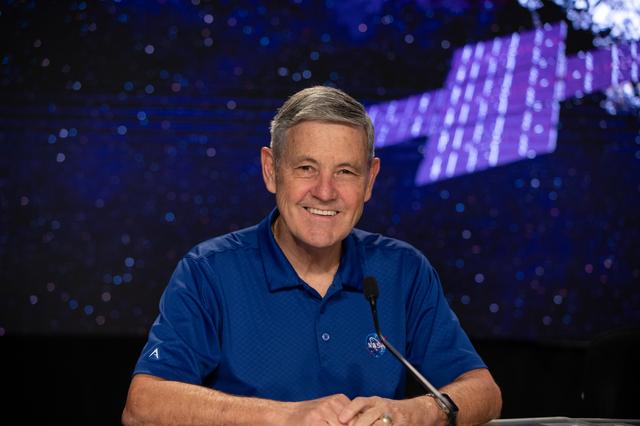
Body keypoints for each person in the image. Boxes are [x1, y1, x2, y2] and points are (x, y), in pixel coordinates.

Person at [122, 86, 502, 426]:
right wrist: (284, 416)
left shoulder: (403, 270)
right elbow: (144, 406)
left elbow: (485, 392)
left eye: (345, 172)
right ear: (271, 170)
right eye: (306, 168)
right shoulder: (208, 271)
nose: (325, 191)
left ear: (370, 180)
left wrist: (419, 412)